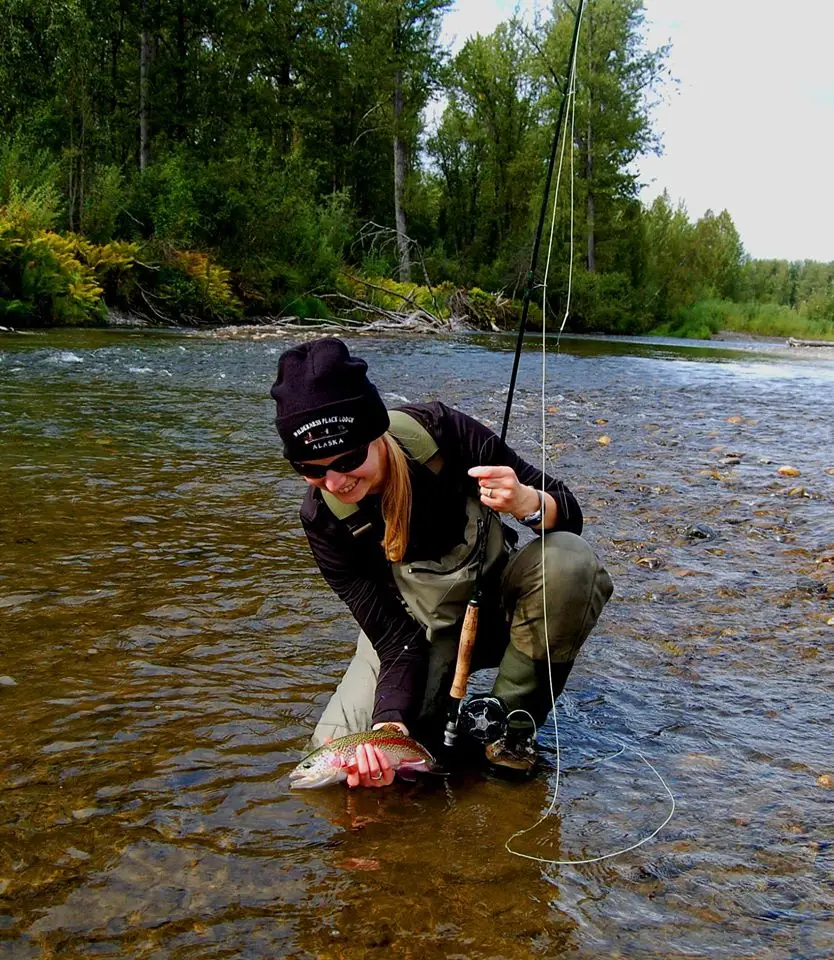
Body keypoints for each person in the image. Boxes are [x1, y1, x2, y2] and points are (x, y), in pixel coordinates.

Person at [272, 337, 613, 787]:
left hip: (497, 612)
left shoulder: (440, 432)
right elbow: (392, 637)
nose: (334, 482)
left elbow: (569, 513)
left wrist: (528, 502)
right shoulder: (323, 519)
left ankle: (509, 728)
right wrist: (390, 727)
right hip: (412, 636)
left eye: (349, 459)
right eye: (312, 470)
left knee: (570, 562)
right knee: (333, 768)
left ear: (376, 433)